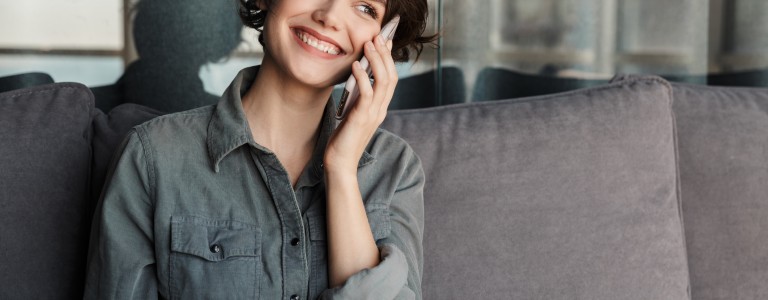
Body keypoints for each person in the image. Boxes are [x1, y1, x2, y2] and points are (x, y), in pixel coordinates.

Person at [84, 0, 437, 299]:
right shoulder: (153, 156)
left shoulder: (395, 168)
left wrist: (342, 169)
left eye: (364, 7)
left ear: (384, 40)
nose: (329, 16)